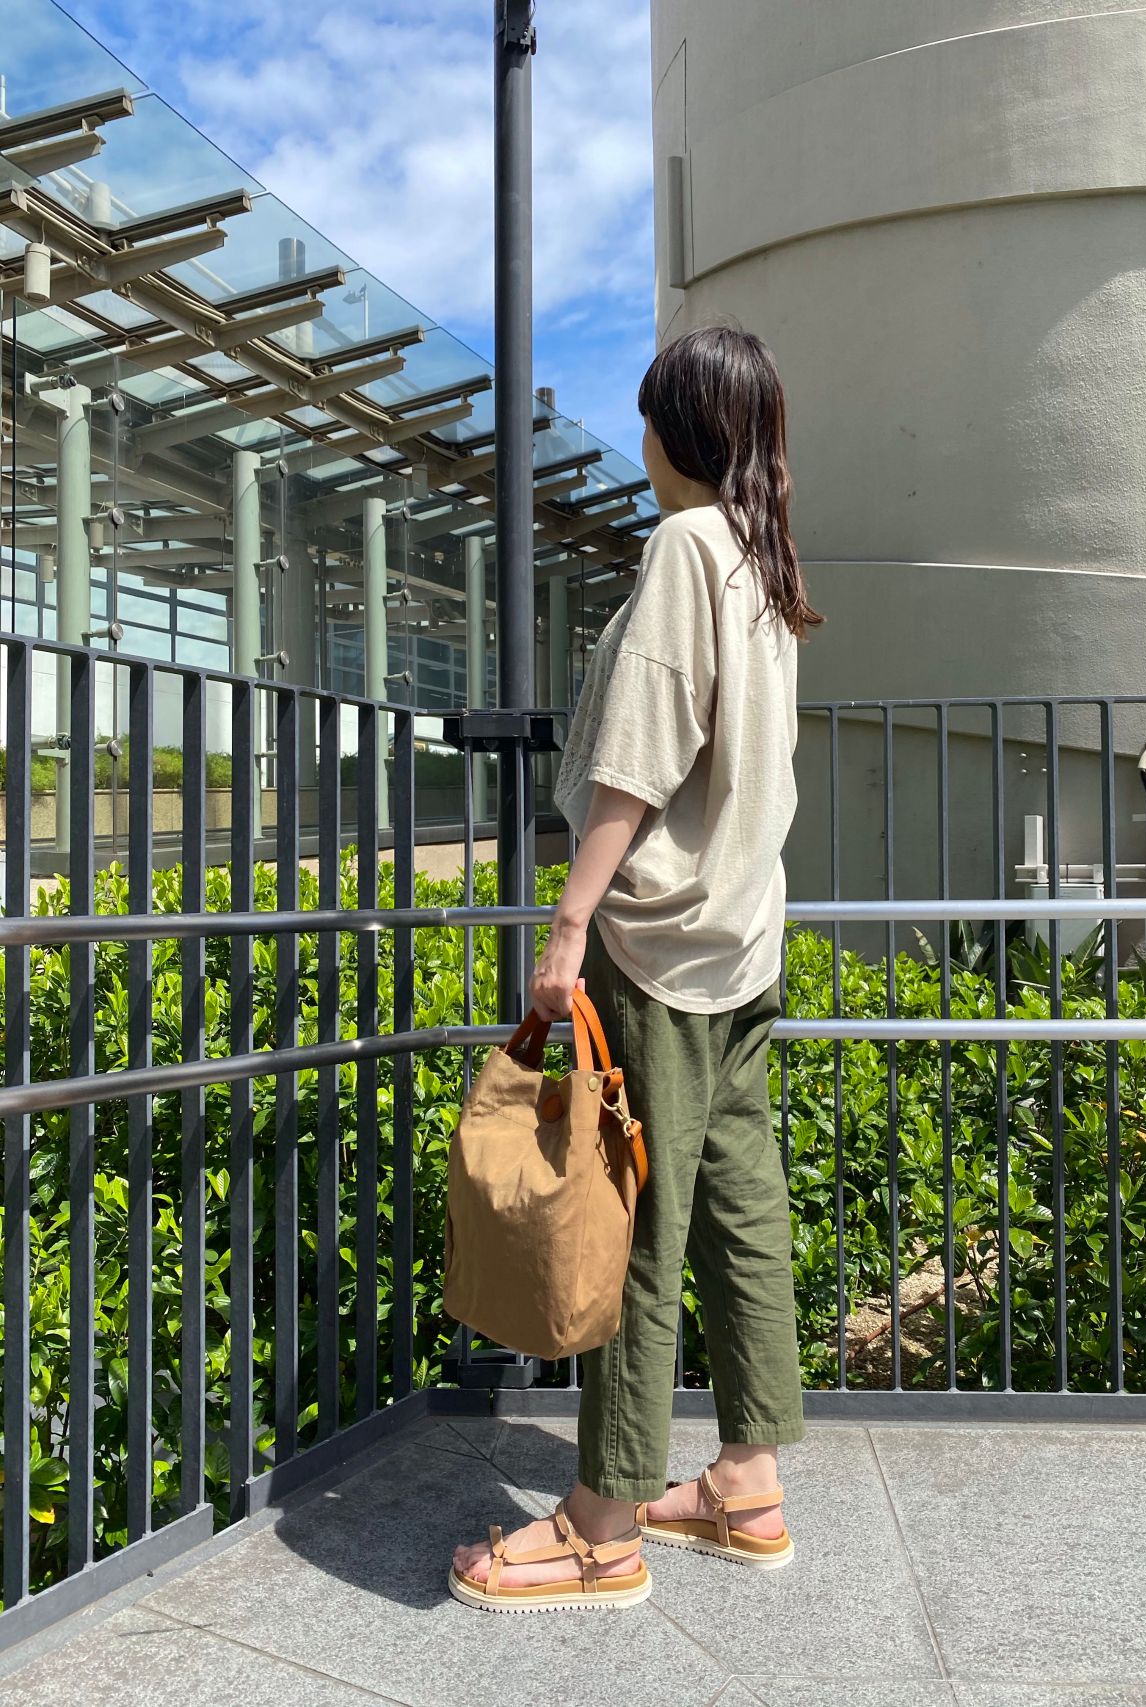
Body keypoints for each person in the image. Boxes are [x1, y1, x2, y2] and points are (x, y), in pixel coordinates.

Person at [449, 324, 824, 1613]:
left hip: (659, 947)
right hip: (745, 944)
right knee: (741, 1208)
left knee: (632, 1226)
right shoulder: (767, 562)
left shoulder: (684, 548)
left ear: (679, 435)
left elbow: (635, 760)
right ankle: (746, 1485)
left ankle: (603, 1523)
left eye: (653, 419)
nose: (646, 441)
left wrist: (567, 926)